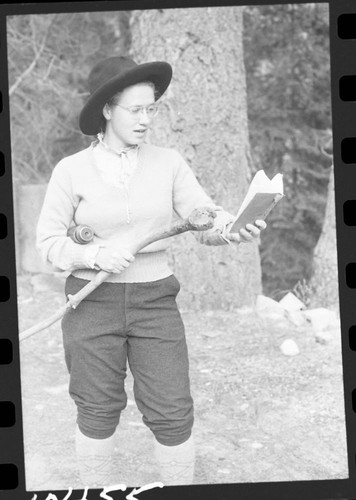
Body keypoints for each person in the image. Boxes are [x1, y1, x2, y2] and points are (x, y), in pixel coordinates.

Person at [36, 56, 266, 488]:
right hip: (90, 302)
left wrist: (232, 229)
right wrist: (95, 256)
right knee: (97, 409)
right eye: (135, 110)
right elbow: (47, 243)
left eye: (152, 109)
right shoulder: (70, 171)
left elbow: (205, 218)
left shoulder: (169, 162)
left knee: (173, 410)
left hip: (154, 300)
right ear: (107, 110)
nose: (146, 119)